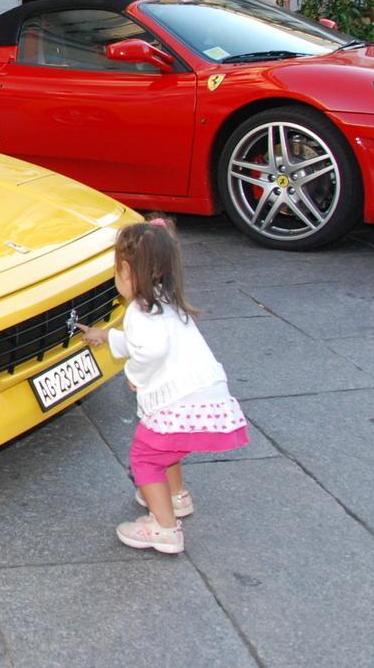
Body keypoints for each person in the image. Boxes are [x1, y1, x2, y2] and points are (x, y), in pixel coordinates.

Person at [76, 218, 249, 555]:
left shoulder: (138, 313)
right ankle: (176, 496)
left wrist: (135, 375)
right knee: (167, 448)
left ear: (126, 271)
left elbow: (149, 351)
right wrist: (108, 337)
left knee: (145, 457)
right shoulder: (164, 300)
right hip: (206, 395)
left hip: (177, 401)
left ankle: (165, 528)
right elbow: (148, 343)